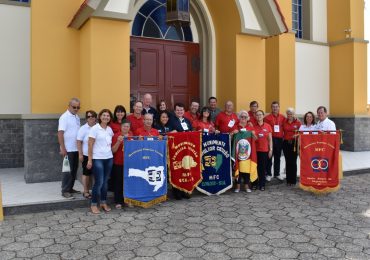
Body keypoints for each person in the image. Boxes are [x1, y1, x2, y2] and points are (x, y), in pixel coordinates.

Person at [87, 109, 114, 214]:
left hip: (109, 158)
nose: (106, 117)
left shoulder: (110, 129)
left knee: (105, 182)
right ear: (100, 117)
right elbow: (90, 145)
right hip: (97, 158)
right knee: (99, 182)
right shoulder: (94, 129)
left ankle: (103, 202)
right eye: (104, 115)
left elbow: (109, 145)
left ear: (110, 118)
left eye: (108, 116)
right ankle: (93, 204)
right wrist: (89, 160)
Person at [58, 97, 81, 199]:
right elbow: (60, 133)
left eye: (78, 107)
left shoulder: (77, 117)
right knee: (67, 171)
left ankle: (70, 188)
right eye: (74, 107)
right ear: (69, 106)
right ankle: (65, 190)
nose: (76, 109)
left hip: (76, 149)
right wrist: (63, 148)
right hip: (68, 149)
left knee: (74, 170)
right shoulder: (64, 117)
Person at [111, 120, 133, 209]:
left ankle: (127, 200)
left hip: (129, 163)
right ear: (121, 127)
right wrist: (119, 141)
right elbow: (113, 150)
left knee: (128, 182)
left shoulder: (131, 136)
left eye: (127, 126)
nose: (126, 128)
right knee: (118, 183)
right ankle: (118, 201)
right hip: (118, 163)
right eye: (124, 126)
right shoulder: (116, 136)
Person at [234, 110, 256, 193]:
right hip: (237, 152)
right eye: (242, 117)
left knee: (246, 169)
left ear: (248, 118)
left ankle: (246, 185)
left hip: (248, 153)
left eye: (245, 117)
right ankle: (238, 186)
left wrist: (253, 134)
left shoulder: (250, 127)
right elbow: (231, 138)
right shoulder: (235, 126)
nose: (243, 118)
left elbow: (255, 139)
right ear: (239, 118)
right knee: (238, 168)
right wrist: (233, 133)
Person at [77, 110, 97, 199]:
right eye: (89, 116)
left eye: (92, 116)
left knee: (96, 174)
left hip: (97, 155)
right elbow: (78, 142)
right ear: (86, 118)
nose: (91, 118)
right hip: (86, 155)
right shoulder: (83, 128)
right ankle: (86, 191)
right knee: (86, 173)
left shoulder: (98, 127)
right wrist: (80, 154)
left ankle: (96, 190)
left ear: (96, 118)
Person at [264, 101, 285, 182]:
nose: (275, 108)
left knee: (277, 157)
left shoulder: (283, 117)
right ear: (271, 108)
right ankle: (268, 174)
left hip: (279, 139)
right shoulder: (267, 118)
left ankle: (277, 173)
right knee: (269, 157)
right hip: (271, 139)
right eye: (273, 107)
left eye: (276, 106)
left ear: (279, 107)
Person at [254, 110, 273, 191]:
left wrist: (270, 149)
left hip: (264, 150)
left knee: (262, 168)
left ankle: (262, 184)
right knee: (254, 168)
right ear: (255, 116)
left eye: (260, 115)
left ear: (263, 116)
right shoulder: (253, 127)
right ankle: (254, 184)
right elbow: (253, 139)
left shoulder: (268, 126)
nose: (259, 116)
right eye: (257, 115)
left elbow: (270, 139)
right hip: (255, 151)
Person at [282, 108, 301, 186]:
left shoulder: (298, 122)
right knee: (288, 161)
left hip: (294, 143)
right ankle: (288, 180)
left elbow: (301, 133)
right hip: (286, 143)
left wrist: (296, 135)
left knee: (293, 162)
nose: (289, 115)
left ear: (294, 114)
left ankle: (293, 180)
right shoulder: (284, 122)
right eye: (288, 114)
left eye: (291, 114)